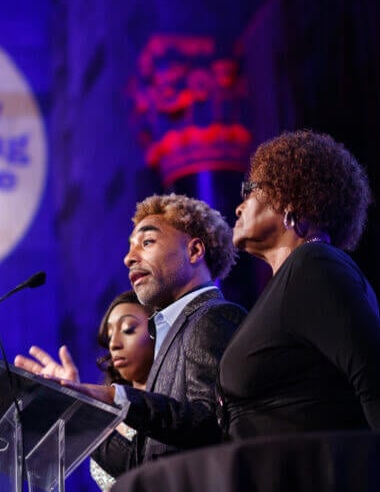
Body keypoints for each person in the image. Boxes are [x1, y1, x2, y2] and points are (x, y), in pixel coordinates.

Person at [15, 193, 246, 478]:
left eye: (147, 242)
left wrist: (115, 397)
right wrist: (75, 405)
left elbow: (210, 423)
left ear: (195, 251)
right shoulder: (171, 334)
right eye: (130, 247)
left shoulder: (212, 317)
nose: (128, 258)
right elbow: (141, 466)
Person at [219, 129, 380, 440]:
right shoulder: (293, 279)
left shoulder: (313, 265)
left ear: (289, 196)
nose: (239, 206)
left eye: (250, 190)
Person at [89, 291, 155, 491]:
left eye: (128, 329)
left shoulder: (175, 410)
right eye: (109, 335)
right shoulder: (110, 409)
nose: (114, 344)